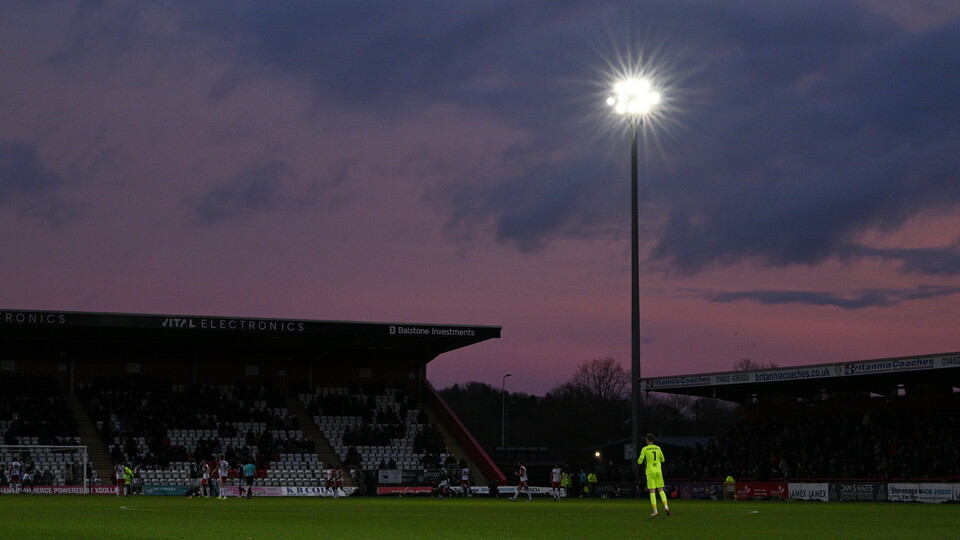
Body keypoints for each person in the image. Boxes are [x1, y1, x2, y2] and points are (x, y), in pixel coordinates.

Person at [638, 433, 671, 517]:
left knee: (652, 491)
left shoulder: (644, 449)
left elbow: (639, 461)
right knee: (661, 490)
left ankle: (655, 511)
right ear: (653, 440)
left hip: (650, 471)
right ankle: (666, 507)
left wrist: (645, 460)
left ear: (647, 440)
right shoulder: (658, 448)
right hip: (658, 471)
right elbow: (663, 459)